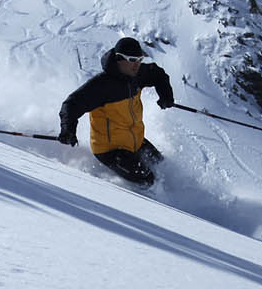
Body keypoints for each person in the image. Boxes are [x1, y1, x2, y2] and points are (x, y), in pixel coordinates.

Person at [58, 37, 175, 186]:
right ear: (119, 59)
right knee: (148, 181)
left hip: (135, 141)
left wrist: (166, 95)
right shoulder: (102, 86)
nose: (137, 64)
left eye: (140, 59)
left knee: (161, 166)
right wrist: (68, 130)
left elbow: (157, 74)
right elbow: (71, 104)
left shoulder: (137, 74)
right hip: (110, 150)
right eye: (132, 59)